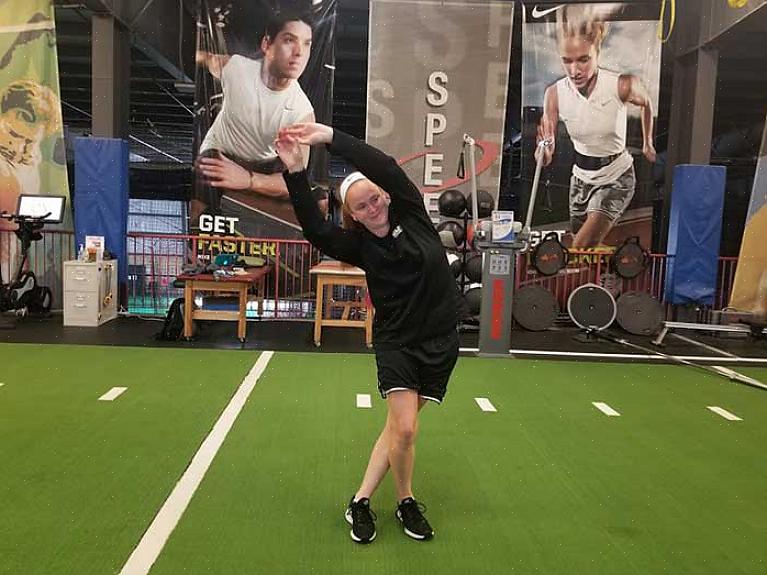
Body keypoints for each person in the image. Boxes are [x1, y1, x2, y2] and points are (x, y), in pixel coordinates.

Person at [275, 122, 462, 544]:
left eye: (375, 198)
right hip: (397, 342)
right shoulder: (358, 246)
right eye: (362, 206)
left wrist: (329, 136)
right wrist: (295, 172)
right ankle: (405, 500)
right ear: (354, 215)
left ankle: (360, 501)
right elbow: (315, 229)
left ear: (386, 195)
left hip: (440, 340)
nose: (372, 207)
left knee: (398, 428)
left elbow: (386, 166)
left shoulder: (412, 214)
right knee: (406, 429)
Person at [536, 6, 656, 248]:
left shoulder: (622, 85)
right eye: (567, 61)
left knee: (579, 247)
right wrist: (544, 153)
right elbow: (546, 150)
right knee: (583, 252)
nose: (575, 70)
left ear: (597, 52)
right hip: (580, 179)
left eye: (583, 59)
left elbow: (646, 103)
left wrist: (647, 142)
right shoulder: (554, 94)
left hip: (616, 176)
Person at [193, 13, 315, 225]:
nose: (299, 53)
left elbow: (296, 181)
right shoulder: (237, 68)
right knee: (207, 168)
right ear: (267, 44)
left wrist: (249, 180)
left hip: (263, 165)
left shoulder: (302, 113)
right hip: (221, 152)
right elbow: (206, 58)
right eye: (289, 40)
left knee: (314, 199)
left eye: (307, 44)